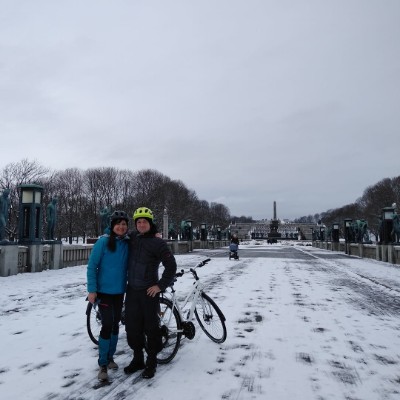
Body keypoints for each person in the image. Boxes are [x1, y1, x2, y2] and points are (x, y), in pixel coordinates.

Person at [124, 206, 177, 379]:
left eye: (144, 222)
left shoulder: (158, 243)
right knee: (132, 328)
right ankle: (138, 358)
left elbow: (171, 266)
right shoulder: (132, 237)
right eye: (138, 222)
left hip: (149, 292)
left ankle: (151, 362)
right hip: (132, 290)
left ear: (150, 223)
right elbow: (117, 234)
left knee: (151, 328)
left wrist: (160, 286)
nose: (141, 224)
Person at [87, 210, 129, 381]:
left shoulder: (127, 242)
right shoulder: (102, 242)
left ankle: (111, 357)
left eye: (124, 224)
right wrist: (92, 290)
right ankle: (103, 363)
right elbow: (92, 266)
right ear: (112, 226)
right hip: (104, 292)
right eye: (118, 224)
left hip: (119, 292)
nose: (121, 227)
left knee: (116, 325)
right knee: (107, 325)